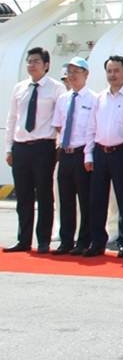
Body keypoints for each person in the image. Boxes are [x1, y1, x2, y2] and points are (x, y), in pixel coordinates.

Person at [4, 47, 65, 253]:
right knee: (23, 195)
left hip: (43, 146)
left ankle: (44, 241)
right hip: (21, 146)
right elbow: (12, 118)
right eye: (29, 61)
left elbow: (62, 119)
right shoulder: (20, 88)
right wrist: (8, 148)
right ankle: (23, 240)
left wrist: (59, 144)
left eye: (36, 61)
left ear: (46, 65)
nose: (31, 64)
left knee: (45, 195)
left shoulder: (56, 88)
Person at [85, 55, 123, 257]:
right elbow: (91, 127)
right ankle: (97, 241)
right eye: (109, 71)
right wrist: (88, 155)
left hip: (121, 152)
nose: (113, 75)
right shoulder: (100, 98)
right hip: (100, 151)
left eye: (117, 71)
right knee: (97, 199)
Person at [50, 57, 96, 255]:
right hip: (65, 153)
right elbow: (59, 125)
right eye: (69, 72)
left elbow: (93, 129)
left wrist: (88, 155)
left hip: (82, 153)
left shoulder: (94, 99)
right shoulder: (63, 98)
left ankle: (84, 241)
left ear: (86, 74)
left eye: (76, 71)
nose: (72, 75)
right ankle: (66, 240)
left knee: (85, 200)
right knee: (65, 199)